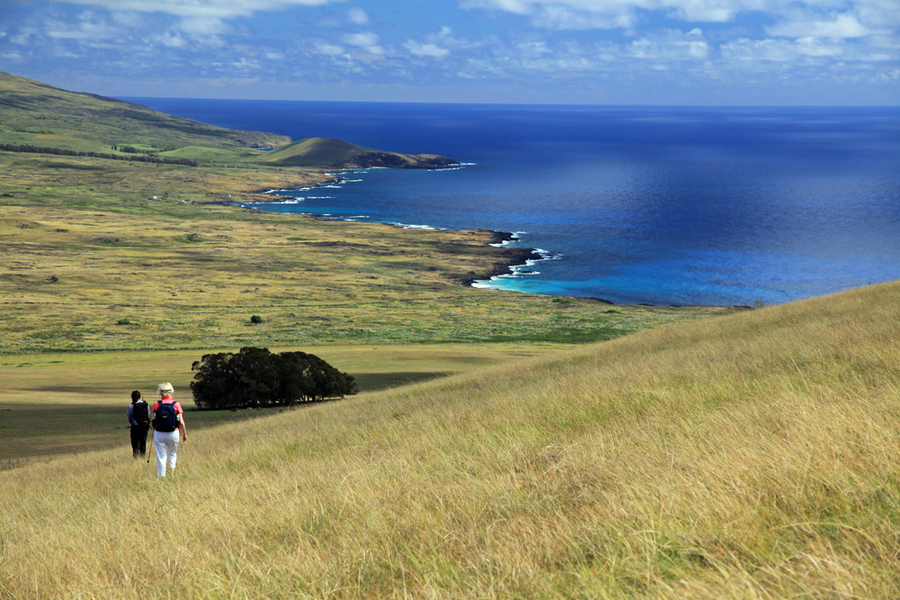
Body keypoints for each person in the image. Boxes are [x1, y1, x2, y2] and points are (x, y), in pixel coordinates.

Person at [151, 382, 188, 477]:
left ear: (160, 393)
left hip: (159, 433)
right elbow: (181, 422)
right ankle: (172, 474)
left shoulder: (157, 404)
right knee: (172, 453)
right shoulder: (176, 404)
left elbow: (153, 420)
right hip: (173, 432)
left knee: (161, 456)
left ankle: (161, 476)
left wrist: (155, 429)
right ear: (171, 392)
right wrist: (184, 433)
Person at [126, 390, 150, 458]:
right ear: (140, 396)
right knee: (143, 442)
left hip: (135, 427)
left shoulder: (131, 406)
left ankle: (136, 457)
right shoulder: (145, 405)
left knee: (135, 443)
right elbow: (148, 416)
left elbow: (129, 418)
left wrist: (134, 423)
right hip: (144, 426)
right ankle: (143, 456)